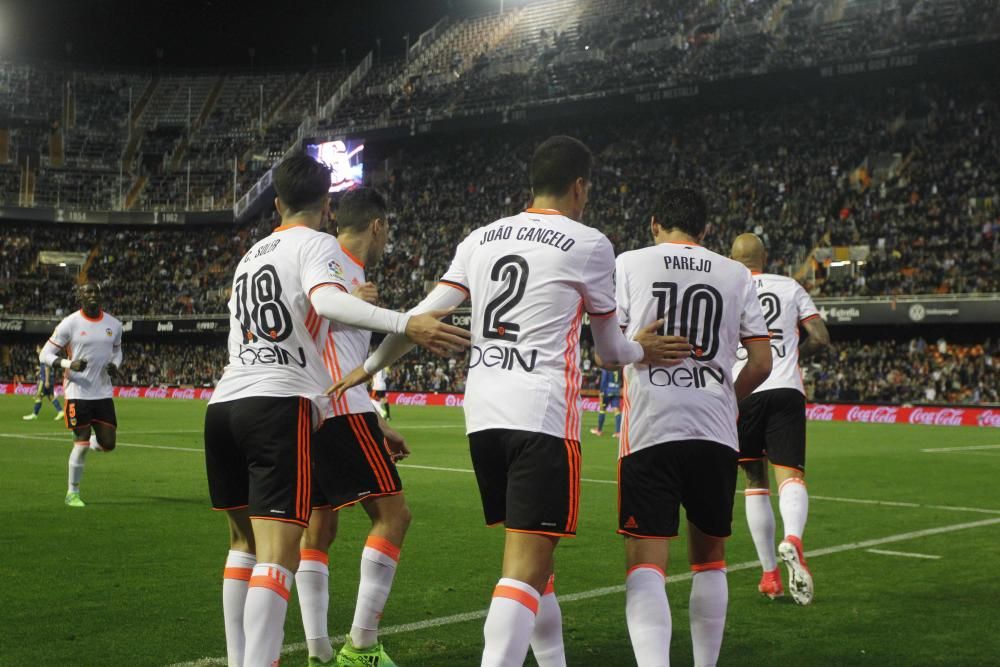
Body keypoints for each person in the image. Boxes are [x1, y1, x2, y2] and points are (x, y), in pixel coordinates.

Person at [333, 135, 691, 667]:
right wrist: (647, 348)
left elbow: (420, 317)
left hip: (483, 417)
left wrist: (367, 367)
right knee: (524, 569)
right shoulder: (589, 243)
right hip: (540, 416)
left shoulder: (480, 238)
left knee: (537, 562)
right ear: (579, 186)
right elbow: (612, 352)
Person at [203, 156, 469, 667]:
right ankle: (342, 649)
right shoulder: (321, 246)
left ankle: (277, 656)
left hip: (225, 402)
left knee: (244, 543)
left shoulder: (251, 254)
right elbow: (325, 303)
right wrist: (405, 322)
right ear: (328, 207)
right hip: (280, 405)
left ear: (276, 203)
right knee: (280, 552)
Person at [614, 189, 772, 667]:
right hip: (715, 429)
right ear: (706, 230)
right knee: (710, 560)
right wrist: (727, 399)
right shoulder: (736, 273)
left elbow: (609, 343)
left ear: (655, 222)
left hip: (651, 427)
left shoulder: (629, 263)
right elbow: (762, 362)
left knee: (646, 567)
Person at [295, 188, 412, 666]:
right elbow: (314, 319)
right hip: (339, 409)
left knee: (319, 526)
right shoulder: (333, 264)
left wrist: (378, 421)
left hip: (319, 409)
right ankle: (360, 647)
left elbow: (336, 350)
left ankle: (318, 653)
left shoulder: (334, 266)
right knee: (393, 516)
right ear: (377, 227)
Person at [730, 232, 830, 605]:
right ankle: (793, 539)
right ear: (765, 257)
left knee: (755, 479)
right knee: (791, 475)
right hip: (785, 387)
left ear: (732, 257)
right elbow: (820, 336)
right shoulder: (789, 286)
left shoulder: (729, 285)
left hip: (744, 389)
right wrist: (791, 354)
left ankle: (770, 575)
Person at [39, 281, 124, 508]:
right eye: (88, 292)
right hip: (77, 392)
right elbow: (44, 355)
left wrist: (115, 365)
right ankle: (72, 493)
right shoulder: (70, 323)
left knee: (109, 444)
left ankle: (88, 442)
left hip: (103, 392)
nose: (93, 295)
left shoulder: (114, 324)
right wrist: (68, 363)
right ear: (80, 296)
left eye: (96, 291)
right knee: (81, 443)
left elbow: (117, 350)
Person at [22, 345, 65, 421]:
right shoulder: (47, 354)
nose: (36, 350)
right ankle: (61, 411)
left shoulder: (43, 355)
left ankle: (34, 414)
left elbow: (47, 367)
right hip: (49, 378)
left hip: (45, 380)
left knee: (38, 396)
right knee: (50, 396)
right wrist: (40, 371)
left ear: (41, 349)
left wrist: (47, 380)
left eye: (37, 348)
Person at [589, 367, 622, 437]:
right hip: (616, 390)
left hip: (607, 391)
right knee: (617, 410)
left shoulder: (607, 367)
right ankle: (618, 432)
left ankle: (599, 430)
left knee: (602, 409)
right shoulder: (618, 367)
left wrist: (601, 392)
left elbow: (604, 380)